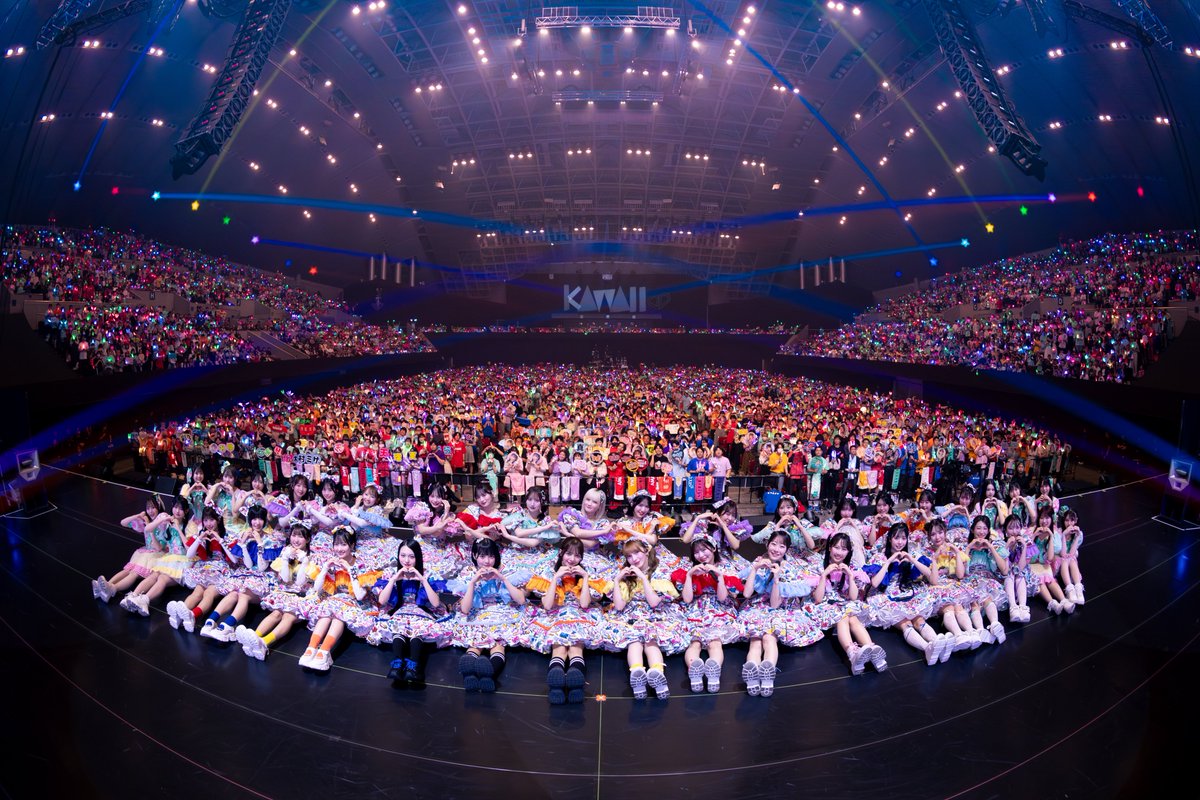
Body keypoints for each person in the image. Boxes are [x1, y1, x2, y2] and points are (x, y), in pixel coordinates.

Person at [524, 537, 610, 704]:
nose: (572, 559)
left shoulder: (587, 573)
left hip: (580, 613)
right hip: (556, 613)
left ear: (581, 558)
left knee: (576, 648)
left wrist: (584, 577)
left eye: (577, 556)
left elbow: (585, 604)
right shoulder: (549, 571)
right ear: (561, 553)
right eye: (569, 554)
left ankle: (575, 683)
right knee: (559, 648)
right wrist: (556, 577)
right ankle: (556, 684)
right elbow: (548, 605)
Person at [739, 530, 824, 697]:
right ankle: (752, 673)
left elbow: (775, 603)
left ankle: (768, 672)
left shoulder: (789, 568)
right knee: (755, 640)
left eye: (782, 546)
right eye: (774, 544)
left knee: (769, 638)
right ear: (767, 544)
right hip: (758, 607)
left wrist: (777, 578)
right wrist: (754, 569)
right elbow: (747, 594)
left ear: (787, 549)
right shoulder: (758, 562)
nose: (776, 549)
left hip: (781, 608)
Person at [299, 526, 382, 672]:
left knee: (338, 613)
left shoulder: (361, 564)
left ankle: (324, 651)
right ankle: (311, 649)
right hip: (335, 602)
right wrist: (325, 568)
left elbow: (359, 596)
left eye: (343, 544)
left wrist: (351, 571)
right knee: (327, 612)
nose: (339, 548)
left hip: (357, 605)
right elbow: (317, 588)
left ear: (352, 545)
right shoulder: (332, 563)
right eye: (336, 544)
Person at [610, 539, 685, 700]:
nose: (634, 559)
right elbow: (619, 606)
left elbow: (654, 602)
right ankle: (637, 675)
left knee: (651, 641)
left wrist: (643, 578)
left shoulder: (659, 571)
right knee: (634, 642)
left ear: (646, 551)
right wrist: (617, 580)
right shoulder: (627, 576)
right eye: (629, 556)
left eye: (637, 553)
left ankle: (657, 675)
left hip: (655, 614)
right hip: (632, 614)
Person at [370, 539, 449, 689]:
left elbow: (435, 603)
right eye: (403, 555)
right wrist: (394, 578)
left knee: (417, 628)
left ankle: (413, 666)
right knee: (398, 626)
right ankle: (397, 664)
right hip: (400, 611)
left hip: (420, 612)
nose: (406, 560)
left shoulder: (426, 573)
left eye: (411, 556)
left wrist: (422, 579)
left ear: (418, 557)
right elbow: (382, 600)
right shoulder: (391, 573)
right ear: (398, 556)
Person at [452, 537, 527, 693]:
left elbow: (520, 600)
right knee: (475, 643)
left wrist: (502, 578)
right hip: (477, 614)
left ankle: (489, 673)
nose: (487, 561)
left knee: (498, 644)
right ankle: (469, 671)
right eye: (482, 556)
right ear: (474, 556)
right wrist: (472, 583)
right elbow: (465, 609)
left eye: (491, 556)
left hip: (502, 613)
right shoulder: (468, 573)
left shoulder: (504, 570)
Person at [672, 536, 744, 693]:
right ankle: (695, 671)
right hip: (695, 608)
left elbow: (723, 597)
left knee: (715, 642)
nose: (701, 555)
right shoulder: (689, 569)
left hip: (718, 608)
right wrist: (690, 576)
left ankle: (714, 672)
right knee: (694, 643)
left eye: (704, 550)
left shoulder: (725, 568)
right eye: (696, 552)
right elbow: (687, 598)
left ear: (713, 548)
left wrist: (718, 576)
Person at [808, 532, 886, 675]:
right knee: (843, 616)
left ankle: (872, 650)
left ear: (849, 551)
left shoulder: (852, 566)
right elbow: (818, 599)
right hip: (825, 605)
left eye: (844, 549)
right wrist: (824, 575)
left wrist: (850, 576)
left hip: (844, 603)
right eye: (837, 547)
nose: (839, 552)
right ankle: (851, 653)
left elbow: (853, 597)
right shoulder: (818, 565)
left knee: (853, 618)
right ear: (830, 548)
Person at [236, 522, 315, 660]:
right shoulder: (285, 552)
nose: (296, 539)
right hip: (285, 592)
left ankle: (265, 642)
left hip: (302, 596)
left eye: (300, 536)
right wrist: (285, 558)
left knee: (288, 617)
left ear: (307, 539)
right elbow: (285, 578)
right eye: (294, 535)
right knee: (276, 614)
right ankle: (254, 637)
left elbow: (300, 582)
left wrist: (304, 561)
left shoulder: (312, 557)